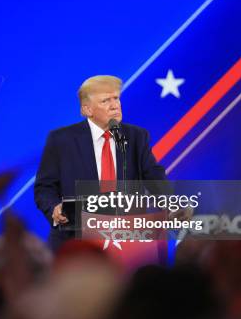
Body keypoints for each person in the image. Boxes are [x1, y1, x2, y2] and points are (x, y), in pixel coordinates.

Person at [34, 75, 167, 250]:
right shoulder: (62, 140)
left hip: (127, 237)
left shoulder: (136, 137)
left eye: (116, 98)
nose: (115, 105)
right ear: (87, 110)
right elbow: (44, 187)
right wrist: (54, 208)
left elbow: (155, 179)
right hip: (76, 240)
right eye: (105, 101)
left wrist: (171, 202)